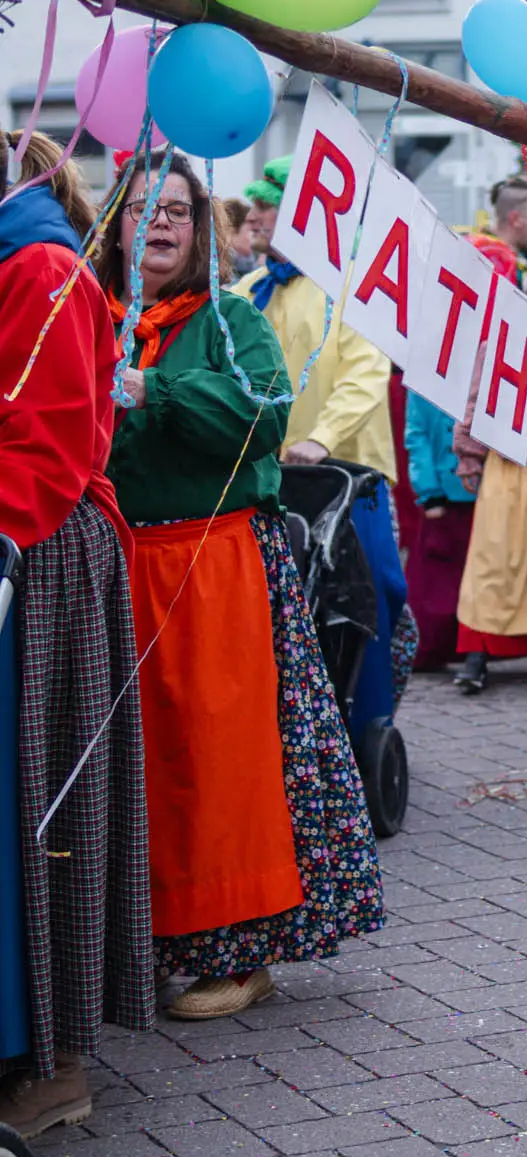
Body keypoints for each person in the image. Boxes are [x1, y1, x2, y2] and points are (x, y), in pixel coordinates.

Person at [96, 154, 385, 1020]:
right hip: (118, 565)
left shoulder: (229, 318)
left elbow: (265, 414)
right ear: (113, 225)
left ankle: (240, 951)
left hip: (212, 564)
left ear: (201, 230)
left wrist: (155, 389)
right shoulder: (90, 316)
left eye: (177, 209)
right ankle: (147, 941)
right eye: (141, 207)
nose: (159, 222)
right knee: (139, 765)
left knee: (218, 760)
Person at [0, 131, 153, 1136]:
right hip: (25, 550)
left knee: (44, 806)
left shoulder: (41, 266)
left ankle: (52, 1060)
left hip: (38, 556)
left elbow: (43, 452)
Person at [236, 154, 417, 709]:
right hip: (266, 486)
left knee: (369, 604)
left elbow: (366, 375)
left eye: (267, 205)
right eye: (255, 204)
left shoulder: (356, 286)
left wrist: (322, 438)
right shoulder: (247, 291)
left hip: (351, 482)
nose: (253, 215)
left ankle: (369, 722)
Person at [453, 175, 527, 696]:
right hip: (506, 446)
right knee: (494, 555)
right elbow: (481, 371)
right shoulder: (500, 278)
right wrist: (469, 447)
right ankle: (478, 653)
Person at [403, 389, 477, 669]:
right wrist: (429, 491)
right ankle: (434, 648)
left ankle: (478, 648)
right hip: (443, 498)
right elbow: (417, 434)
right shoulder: (424, 381)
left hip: (484, 495)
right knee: (435, 586)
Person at [221, 197, 260, 280]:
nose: (256, 236)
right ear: (230, 231)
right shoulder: (219, 272)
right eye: (251, 231)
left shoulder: (250, 267)